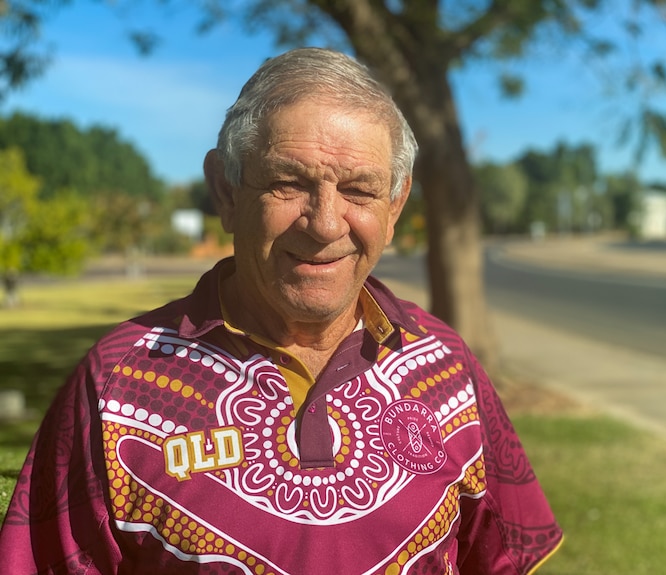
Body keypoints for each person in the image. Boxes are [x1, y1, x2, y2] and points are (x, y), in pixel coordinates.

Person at [0, 47, 562, 574]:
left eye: (359, 191)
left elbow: (500, 555)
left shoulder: (448, 366)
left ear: (395, 206)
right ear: (225, 189)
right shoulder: (116, 383)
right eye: (288, 183)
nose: (324, 223)